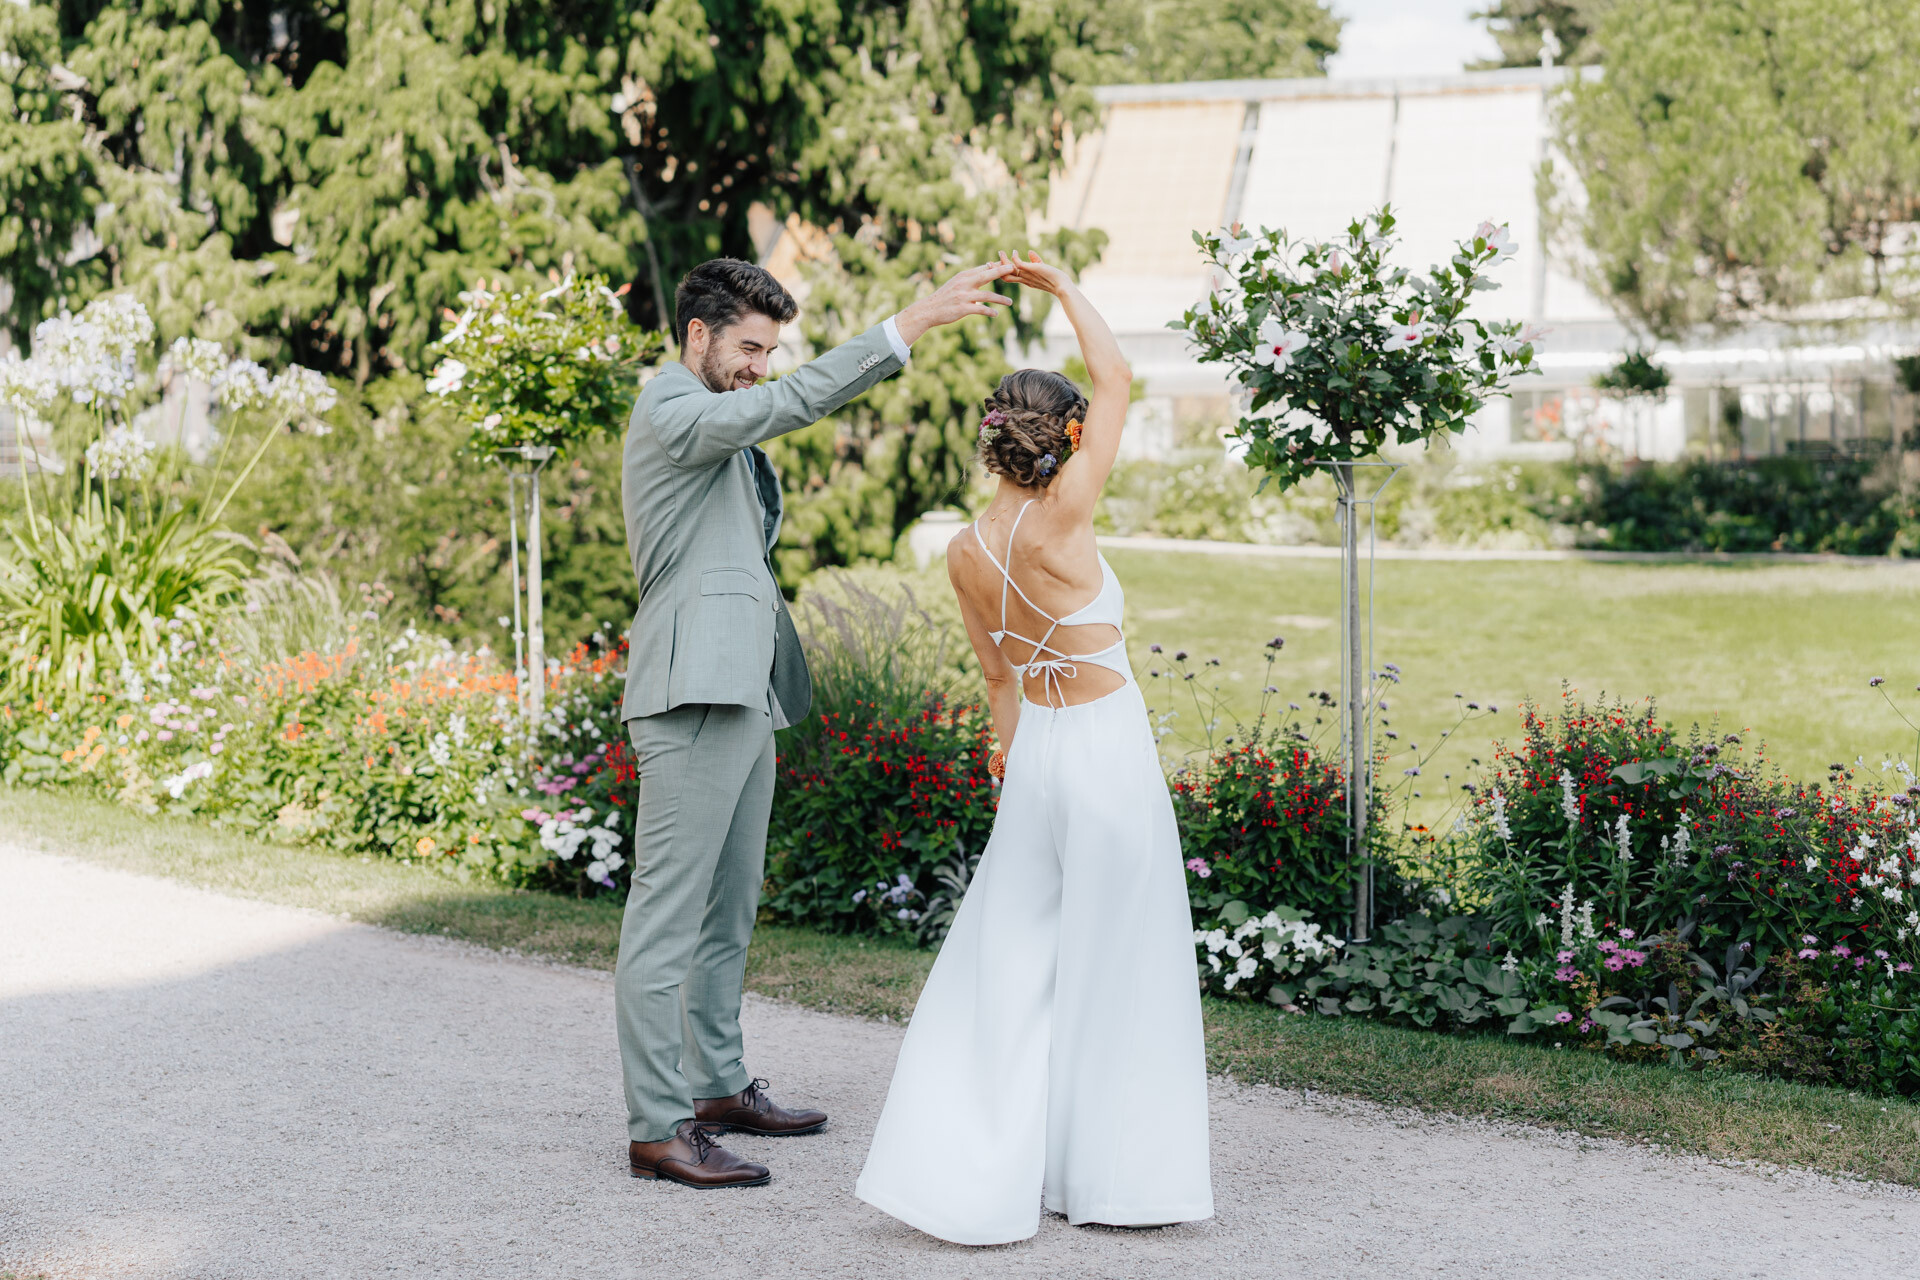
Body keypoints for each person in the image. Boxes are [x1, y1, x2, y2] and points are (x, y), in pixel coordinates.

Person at [618, 256, 1015, 1189]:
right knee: (665, 920)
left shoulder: (713, 418)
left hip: (743, 690)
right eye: (749, 347)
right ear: (697, 337)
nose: (760, 365)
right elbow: (778, 409)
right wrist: (904, 328)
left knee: (731, 908)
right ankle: (656, 1126)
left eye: (771, 350)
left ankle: (716, 1087)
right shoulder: (669, 408)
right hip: (687, 695)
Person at [854, 252, 1214, 1243]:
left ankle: (977, 1170)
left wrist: (1017, 779)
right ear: (1067, 436)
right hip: (1102, 744)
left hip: (1039, 755)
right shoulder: (1065, 513)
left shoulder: (967, 553)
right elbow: (1119, 377)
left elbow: (1000, 680)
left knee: (1011, 964)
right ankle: (1122, 1182)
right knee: (1123, 957)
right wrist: (1060, 285)